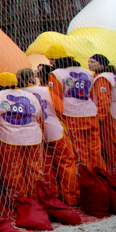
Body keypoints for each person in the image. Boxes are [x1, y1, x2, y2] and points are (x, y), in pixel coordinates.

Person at [21, 66, 79, 205]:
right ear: (31, 77)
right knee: (66, 163)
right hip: (54, 130)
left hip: (35, 134)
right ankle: (71, 198)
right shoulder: (46, 90)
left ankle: (52, 198)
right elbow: (60, 109)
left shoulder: (20, 93)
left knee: (45, 166)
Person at [45, 44, 105, 172]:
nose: (49, 62)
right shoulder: (87, 72)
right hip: (90, 112)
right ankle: (103, 177)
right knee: (95, 148)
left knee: (80, 148)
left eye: (50, 59)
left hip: (71, 114)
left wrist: (58, 118)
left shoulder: (56, 74)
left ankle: (88, 179)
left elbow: (55, 98)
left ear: (54, 60)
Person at [0, 72, 45, 202]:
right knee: (35, 169)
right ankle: (36, 199)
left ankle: (18, 201)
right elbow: (39, 116)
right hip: (33, 137)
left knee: (12, 170)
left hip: (9, 139)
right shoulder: (30, 96)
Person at [89, 54, 116, 172]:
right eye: (89, 61)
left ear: (101, 65)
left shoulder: (102, 78)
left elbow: (104, 100)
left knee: (114, 148)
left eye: (93, 62)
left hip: (109, 117)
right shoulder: (110, 76)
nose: (89, 64)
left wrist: (99, 119)